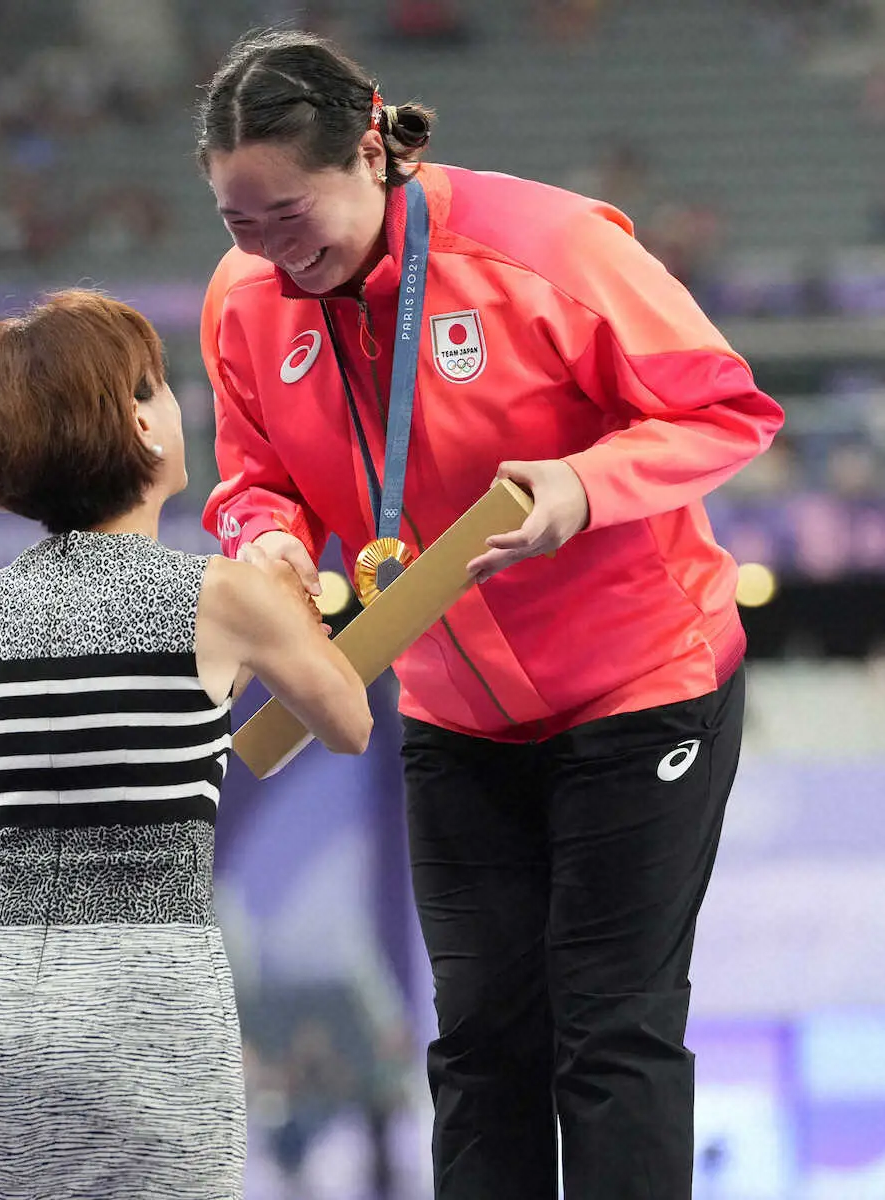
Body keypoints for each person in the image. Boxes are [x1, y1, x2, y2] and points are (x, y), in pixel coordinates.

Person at [195, 29, 785, 1200]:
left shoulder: (543, 247)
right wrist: (263, 537)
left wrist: (583, 485)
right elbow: (250, 471)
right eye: (237, 223)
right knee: (477, 1043)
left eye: (289, 213)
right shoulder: (247, 303)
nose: (267, 251)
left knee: (610, 1029)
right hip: (455, 716)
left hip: (641, 685)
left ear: (370, 149)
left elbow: (727, 410)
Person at [0, 287, 372, 1200]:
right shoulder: (216, 595)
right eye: (165, 388)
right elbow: (347, 719)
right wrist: (289, 603)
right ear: (140, 423)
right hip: (148, 976)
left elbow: (149, 706)